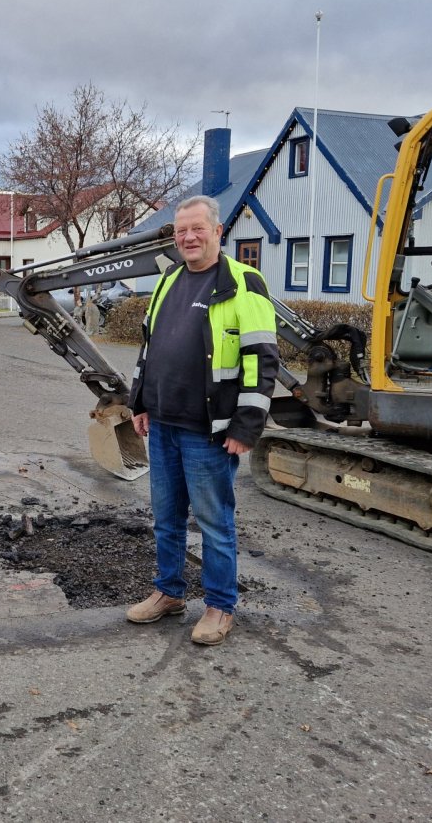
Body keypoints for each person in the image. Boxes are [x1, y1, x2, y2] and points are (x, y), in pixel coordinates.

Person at [125, 195, 278, 645]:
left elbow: (261, 359)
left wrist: (246, 426)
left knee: (214, 523)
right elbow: (150, 347)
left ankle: (219, 606)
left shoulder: (243, 282)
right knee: (166, 518)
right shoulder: (169, 279)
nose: (188, 237)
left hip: (209, 432)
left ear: (217, 231)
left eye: (197, 229)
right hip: (164, 425)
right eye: (181, 231)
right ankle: (169, 592)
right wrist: (140, 402)